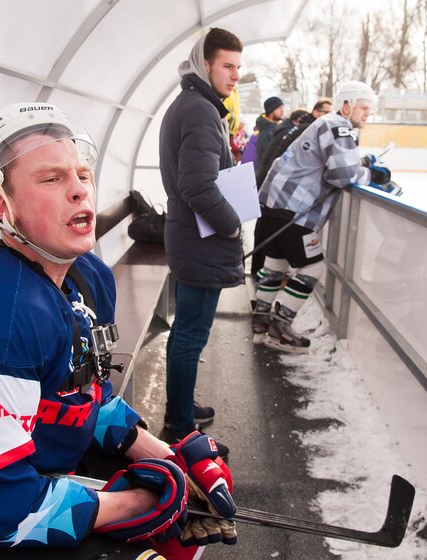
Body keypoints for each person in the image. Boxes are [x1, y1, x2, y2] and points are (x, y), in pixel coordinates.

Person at [0, 102, 237, 560]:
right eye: (52, 178)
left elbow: (85, 394)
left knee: (184, 528)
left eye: (82, 174)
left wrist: (164, 455)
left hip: (38, 464)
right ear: (3, 205)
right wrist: (138, 504)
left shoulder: (88, 275)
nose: (80, 191)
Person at [251, 81, 400, 353]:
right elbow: (342, 175)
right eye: (363, 107)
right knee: (312, 268)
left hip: (275, 204)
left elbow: (333, 161)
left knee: (276, 264)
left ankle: (261, 322)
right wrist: (376, 175)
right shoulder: (339, 126)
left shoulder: (328, 123)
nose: (368, 114)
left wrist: (361, 163)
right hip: (294, 209)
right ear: (347, 105)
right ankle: (280, 327)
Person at [158, 28, 243, 449]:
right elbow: (198, 186)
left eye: (238, 67)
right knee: (190, 334)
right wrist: (232, 223)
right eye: (228, 65)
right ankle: (180, 428)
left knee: (187, 333)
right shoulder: (201, 111)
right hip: (201, 240)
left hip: (191, 237)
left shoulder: (193, 105)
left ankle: (182, 408)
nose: (235, 75)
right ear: (204, 64)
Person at [249, 99, 333, 278]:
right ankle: (259, 276)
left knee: (270, 248)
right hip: (279, 196)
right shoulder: (307, 130)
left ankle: (260, 282)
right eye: (327, 113)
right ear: (317, 112)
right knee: (311, 267)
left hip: (270, 190)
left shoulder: (291, 128)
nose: (331, 117)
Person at [241, 96, 285, 166]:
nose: (282, 110)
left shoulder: (264, 127)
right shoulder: (267, 131)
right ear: (271, 110)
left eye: (283, 108)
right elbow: (267, 161)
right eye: (279, 108)